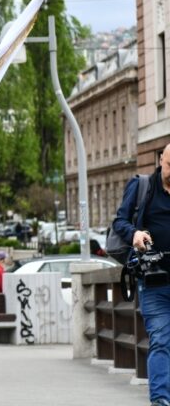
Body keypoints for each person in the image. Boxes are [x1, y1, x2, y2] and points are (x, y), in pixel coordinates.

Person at [113, 143, 170, 406]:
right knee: (160, 338)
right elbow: (119, 221)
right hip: (154, 281)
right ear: (161, 160)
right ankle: (160, 400)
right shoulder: (143, 186)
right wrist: (134, 233)